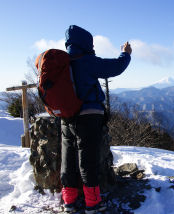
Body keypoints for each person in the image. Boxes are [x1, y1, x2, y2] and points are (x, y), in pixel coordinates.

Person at [60, 25, 132, 213]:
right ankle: (92, 203)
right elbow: (116, 67)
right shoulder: (87, 61)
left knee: (68, 158)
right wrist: (125, 54)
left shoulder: (63, 62)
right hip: (88, 117)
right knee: (88, 160)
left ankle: (69, 201)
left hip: (66, 117)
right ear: (86, 42)